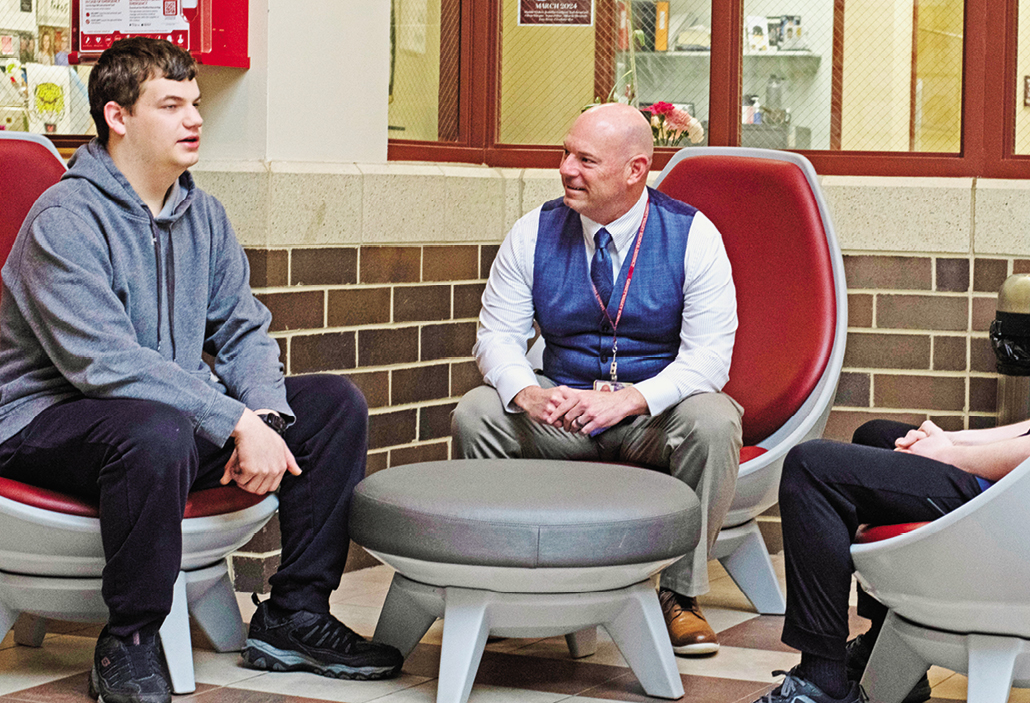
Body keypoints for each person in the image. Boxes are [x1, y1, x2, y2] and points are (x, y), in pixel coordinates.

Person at [754, 107, 1030, 703]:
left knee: (813, 466)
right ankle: (884, 654)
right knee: (876, 435)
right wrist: (954, 441)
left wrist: (954, 455)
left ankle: (820, 680)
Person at [0, 37, 403, 703]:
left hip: (159, 414)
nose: (193, 118)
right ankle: (128, 639)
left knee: (332, 406)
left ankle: (295, 613)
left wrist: (267, 416)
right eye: (170, 104)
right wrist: (233, 418)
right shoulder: (65, 218)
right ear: (117, 116)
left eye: (195, 103)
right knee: (151, 428)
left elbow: (243, 327)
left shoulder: (202, 215)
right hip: (44, 422)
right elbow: (103, 363)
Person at [452, 102, 742, 656]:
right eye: (565, 153)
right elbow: (495, 337)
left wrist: (633, 400)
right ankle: (502, 580)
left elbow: (709, 359)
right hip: (560, 413)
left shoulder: (693, 235)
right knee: (478, 412)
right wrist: (527, 393)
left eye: (585, 159)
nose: (566, 169)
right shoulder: (532, 231)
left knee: (714, 419)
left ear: (635, 170)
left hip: (649, 419)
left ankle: (681, 594)